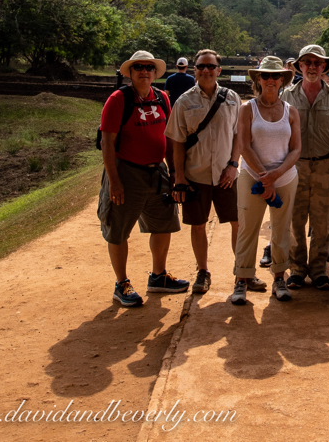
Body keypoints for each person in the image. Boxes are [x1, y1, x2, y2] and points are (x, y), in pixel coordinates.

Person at [97, 50, 188, 308]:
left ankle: (158, 276)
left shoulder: (161, 98)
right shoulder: (118, 99)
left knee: (164, 223)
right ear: (130, 72)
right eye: (139, 67)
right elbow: (107, 142)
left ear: (155, 72)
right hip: (127, 170)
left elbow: (169, 138)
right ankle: (122, 283)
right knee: (118, 228)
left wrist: (173, 172)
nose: (144, 71)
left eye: (149, 67)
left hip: (156, 170)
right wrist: (114, 181)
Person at [165, 49, 241, 296]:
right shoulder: (184, 101)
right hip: (196, 174)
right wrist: (178, 175)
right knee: (198, 225)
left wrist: (233, 165)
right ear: (194, 70)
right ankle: (203, 271)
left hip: (225, 175)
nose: (205, 70)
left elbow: (239, 134)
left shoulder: (232, 98)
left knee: (237, 222)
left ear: (219, 70)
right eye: (200, 66)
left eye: (210, 66)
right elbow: (177, 141)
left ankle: (242, 271)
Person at [231, 56, 302, 305]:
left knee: (281, 229)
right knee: (248, 228)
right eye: (266, 75)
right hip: (253, 175)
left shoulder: (290, 111)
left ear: (282, 80)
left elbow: (295, 149)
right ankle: (242, 279)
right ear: (258, 79)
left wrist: (275, 175)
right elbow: (244, 145)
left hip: (283, 178)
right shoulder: (247, 109)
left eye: (275, 75)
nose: (270, 80)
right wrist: (265, 177)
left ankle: (279, 277)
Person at [281, 45, 329, 290]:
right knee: (295, 220)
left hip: (325, 166)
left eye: (317, 63)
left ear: (324, 67)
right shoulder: (286, 97)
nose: (312, 67)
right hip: (294, 167)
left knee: (322, 221)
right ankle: (298, 269)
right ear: (299, 66)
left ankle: (319, 269)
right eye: (307, 62)